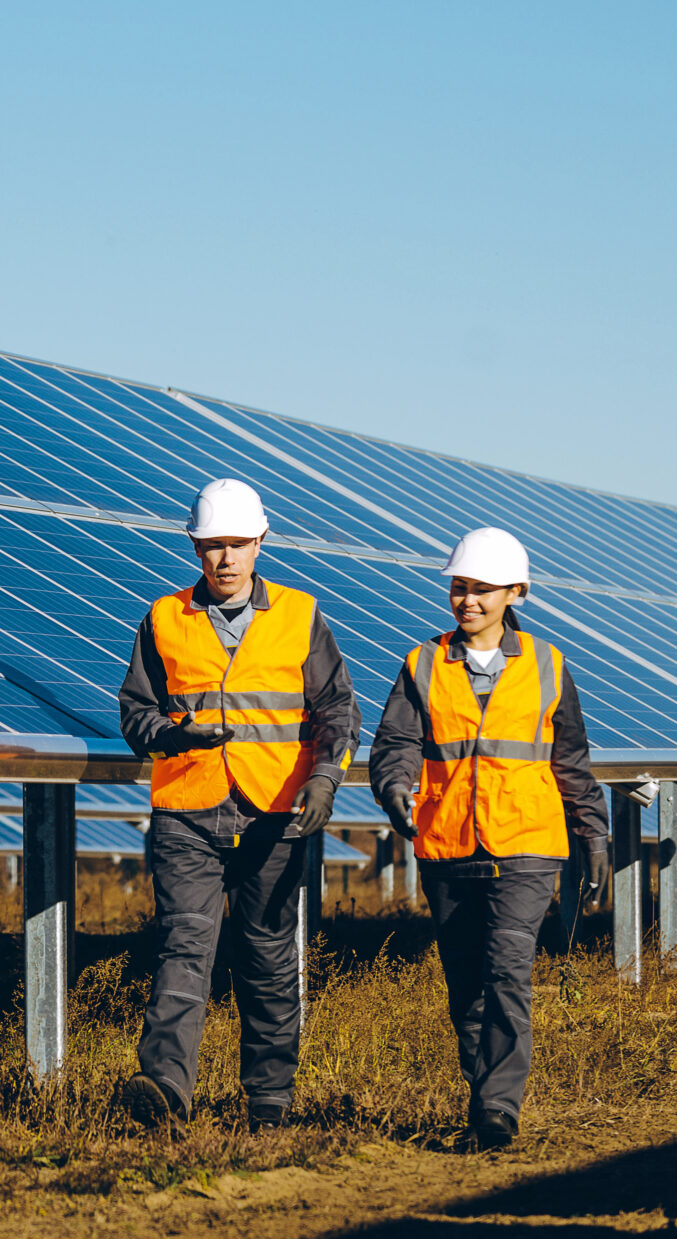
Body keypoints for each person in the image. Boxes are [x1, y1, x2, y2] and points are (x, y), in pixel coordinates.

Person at [114, 479, 361, 1130]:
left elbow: (336, 709)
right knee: (183, 948)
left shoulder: (302, 616)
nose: (225, 558)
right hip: (187, 808)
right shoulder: (163, 617)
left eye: (237, 544)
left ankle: (269, 1099)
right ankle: (165, 1089)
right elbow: (135, 711)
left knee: (268, 954)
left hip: (276, 811)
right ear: (196, 547)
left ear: (260, 543)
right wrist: (170, 734)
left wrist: (325, 779)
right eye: (212, 545)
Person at [367, 527, 610, 1150]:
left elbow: (572, 764)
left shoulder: (549, 666)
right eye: (459, 587)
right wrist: (394, 788)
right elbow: (394, 744)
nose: (466, 600)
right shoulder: (422, 663)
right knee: (466, 985)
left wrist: (594, 838)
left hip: (527, 845)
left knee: (507, 973)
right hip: (448, 845)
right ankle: (484, 1099)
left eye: (480, 589)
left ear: (516, 593)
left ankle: (499, 1109)